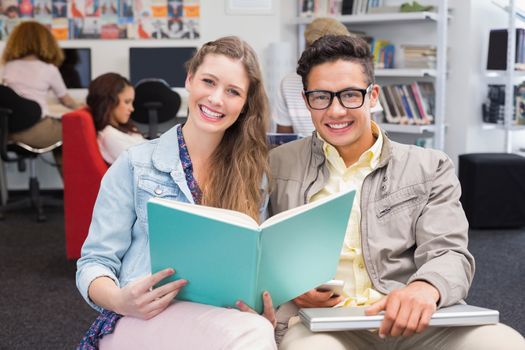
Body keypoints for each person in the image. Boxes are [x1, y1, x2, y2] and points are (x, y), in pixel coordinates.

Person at [269, 35, 525, 349]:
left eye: (350, 95)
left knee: (504, 343)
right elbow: (258, 251)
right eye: (321, 97)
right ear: (307, 100)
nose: (335, 111)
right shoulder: (277, 165)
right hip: (320, 325)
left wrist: (426, 288)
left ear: (372, 95)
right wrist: (289, 287)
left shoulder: (429, 166)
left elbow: (450, 253)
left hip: (414, 319)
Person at [76, 36, 277, 350]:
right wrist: (120, 299)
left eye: (233, 91)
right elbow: (93, 263)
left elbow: (253, 267)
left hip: (217, 319)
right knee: (252, 334)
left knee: (256, 326)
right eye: (208, 82)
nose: (216, 99)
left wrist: (260, 302)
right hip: (141, 320)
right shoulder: (134, 164)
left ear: (245, 103)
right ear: (189, 80)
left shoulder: (254, 175)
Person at [1, 21, 80, 152]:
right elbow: (66, 100)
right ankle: (69, 172)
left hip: (9, 132)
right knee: (76, 131)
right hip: (36, 130)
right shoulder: (49, 69)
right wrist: (85, 109)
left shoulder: (9, 67)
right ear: (46, 42)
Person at [273, 18, 350, 136]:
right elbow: (284, 142)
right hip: (302, 153)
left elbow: (366, 131)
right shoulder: (287, 84)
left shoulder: (357, 80)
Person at [86, 72, 146, 164]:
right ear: (109, 102)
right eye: (127, 102)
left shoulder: (124, 127)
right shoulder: (109, 136)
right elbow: (142, 165)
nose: (132, 109)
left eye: (131, 102)